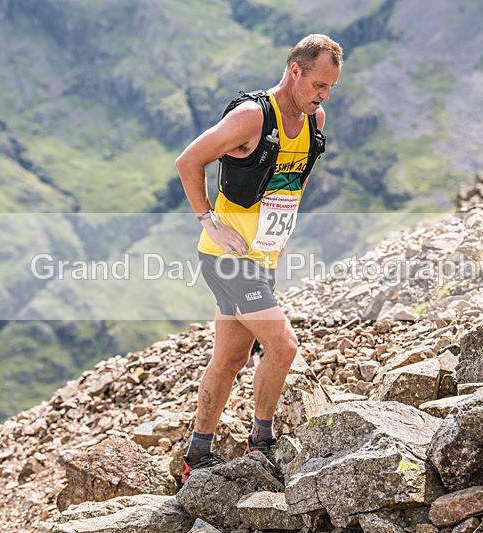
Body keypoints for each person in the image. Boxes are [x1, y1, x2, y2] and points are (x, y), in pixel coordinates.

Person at [175, 34, 343, 483]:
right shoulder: (252, 116)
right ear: (295, 72)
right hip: (226, 258)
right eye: (319, 85)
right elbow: (188, 161)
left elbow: (295, 180)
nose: (324, 96)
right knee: (283, 347)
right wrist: (208, 222)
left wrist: (281, 235)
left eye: (330, 88)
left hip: (262, 259)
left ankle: (197, 455)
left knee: (230, 359)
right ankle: (261, 441)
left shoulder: (314, 119)